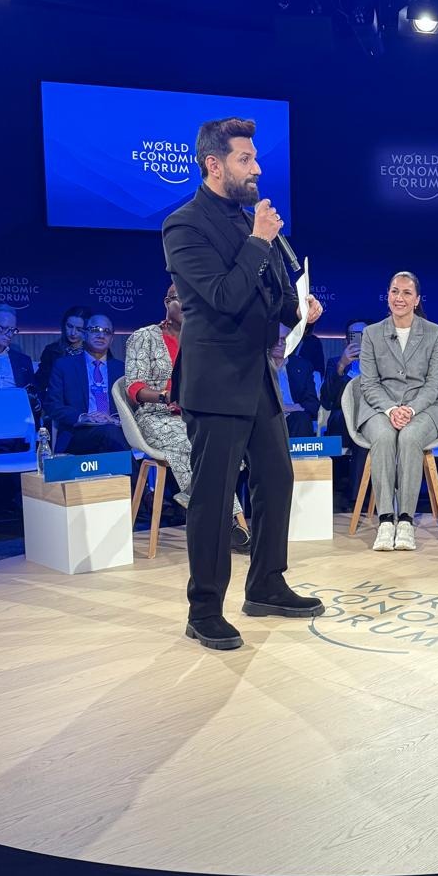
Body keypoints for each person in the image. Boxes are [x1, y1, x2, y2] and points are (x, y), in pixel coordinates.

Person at [162, 116, 324, 652]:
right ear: (214, 164)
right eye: (245, 159)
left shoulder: (249, 221)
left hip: (257, 377)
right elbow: (224, 297)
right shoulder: (183, 226)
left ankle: (266, 585)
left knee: (276, 479)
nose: (256, 169)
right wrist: (258, 239)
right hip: (214, 382)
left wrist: (300, 309)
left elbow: (273, 296)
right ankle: (204, 609)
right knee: (213, 499)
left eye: (256, 159)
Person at [124, 284, 248, 551]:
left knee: (225, 442)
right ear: (166, 302)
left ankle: (196, 497)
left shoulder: (202, 340)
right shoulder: (143, 337)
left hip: (194, 415)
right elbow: (134, 388)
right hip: (156, 415)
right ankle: (226, 524)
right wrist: (166, 397)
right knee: (195, 445)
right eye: (182, 299)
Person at [356, 271, 438, 552]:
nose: (400, 298)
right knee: (384, 437)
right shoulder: (372, 333)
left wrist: (410, 409)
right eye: (395, 291)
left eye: (407, 293)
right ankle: (385, 520)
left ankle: (405, 520)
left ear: (417, 300)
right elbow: (368, 383)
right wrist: (390, 409)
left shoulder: (435, 333)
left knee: (409, 438)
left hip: (423, 408)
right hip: (379, 408)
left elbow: (435, 384)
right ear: (387, 296)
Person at [45, 312, 128, 454]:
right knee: (110, 433)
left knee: (111, 432)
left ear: (112, 339)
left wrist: (116, 419)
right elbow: (52, 405)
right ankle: (136, 470)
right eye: (95, 330)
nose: (101, 335)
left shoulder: (121, 369)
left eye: (106, 332)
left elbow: (132, 407)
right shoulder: (64, 366)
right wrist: (83, 417)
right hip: (78, 434)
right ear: (84, 334)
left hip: (114, 430)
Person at [320, 318, 369, 505]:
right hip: (341, 423)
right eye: (354, 336)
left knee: (365, 432)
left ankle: (357, 499)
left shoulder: (379, 364)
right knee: (352, 422)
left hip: (367, 422)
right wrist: (342, 365)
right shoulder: (335, 363)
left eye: (363, 336)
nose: (359, 340)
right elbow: (327, 400)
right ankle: (355, 497)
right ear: (347, 341)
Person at [270, 324, 322, 437]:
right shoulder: (258, 366)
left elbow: (312, 404)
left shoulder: (303, 366)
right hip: (267, 417)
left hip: (294, 418)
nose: (279, 343)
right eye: (275, 338)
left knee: (301, 419)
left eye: (284, 339)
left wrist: (288, 408)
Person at [34, 306, 90, 400]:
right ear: (64, 325)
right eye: (70, 326)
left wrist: (102, 407)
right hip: (57, 402)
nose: (73, 333)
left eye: (79, 329)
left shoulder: (95, 352)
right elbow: (41, 383)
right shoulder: (52, 351)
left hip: (88, 402)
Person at [0, 305, 38, 415]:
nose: (9, 334)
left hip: (15, 413)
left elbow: (34, 394)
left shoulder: (23, 361)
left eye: (12, 330)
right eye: (4, 328)